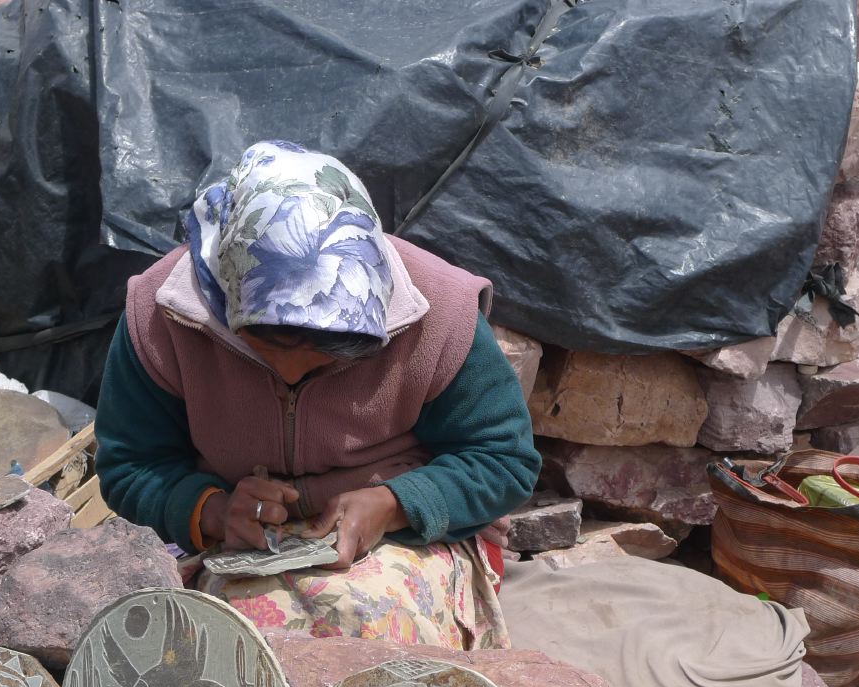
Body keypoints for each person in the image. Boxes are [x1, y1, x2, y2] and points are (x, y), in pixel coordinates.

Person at [95, 141, 540, 649]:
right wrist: (212, 511)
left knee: (369, 635)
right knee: (225, 649)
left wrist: (393, 504)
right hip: (234, 543)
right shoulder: (163, 316)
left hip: (413, 534)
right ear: (226, 297)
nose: (288, 373)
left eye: (327, 358)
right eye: (265, 346)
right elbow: (130, 465)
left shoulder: (438, 314)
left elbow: (504, 460)